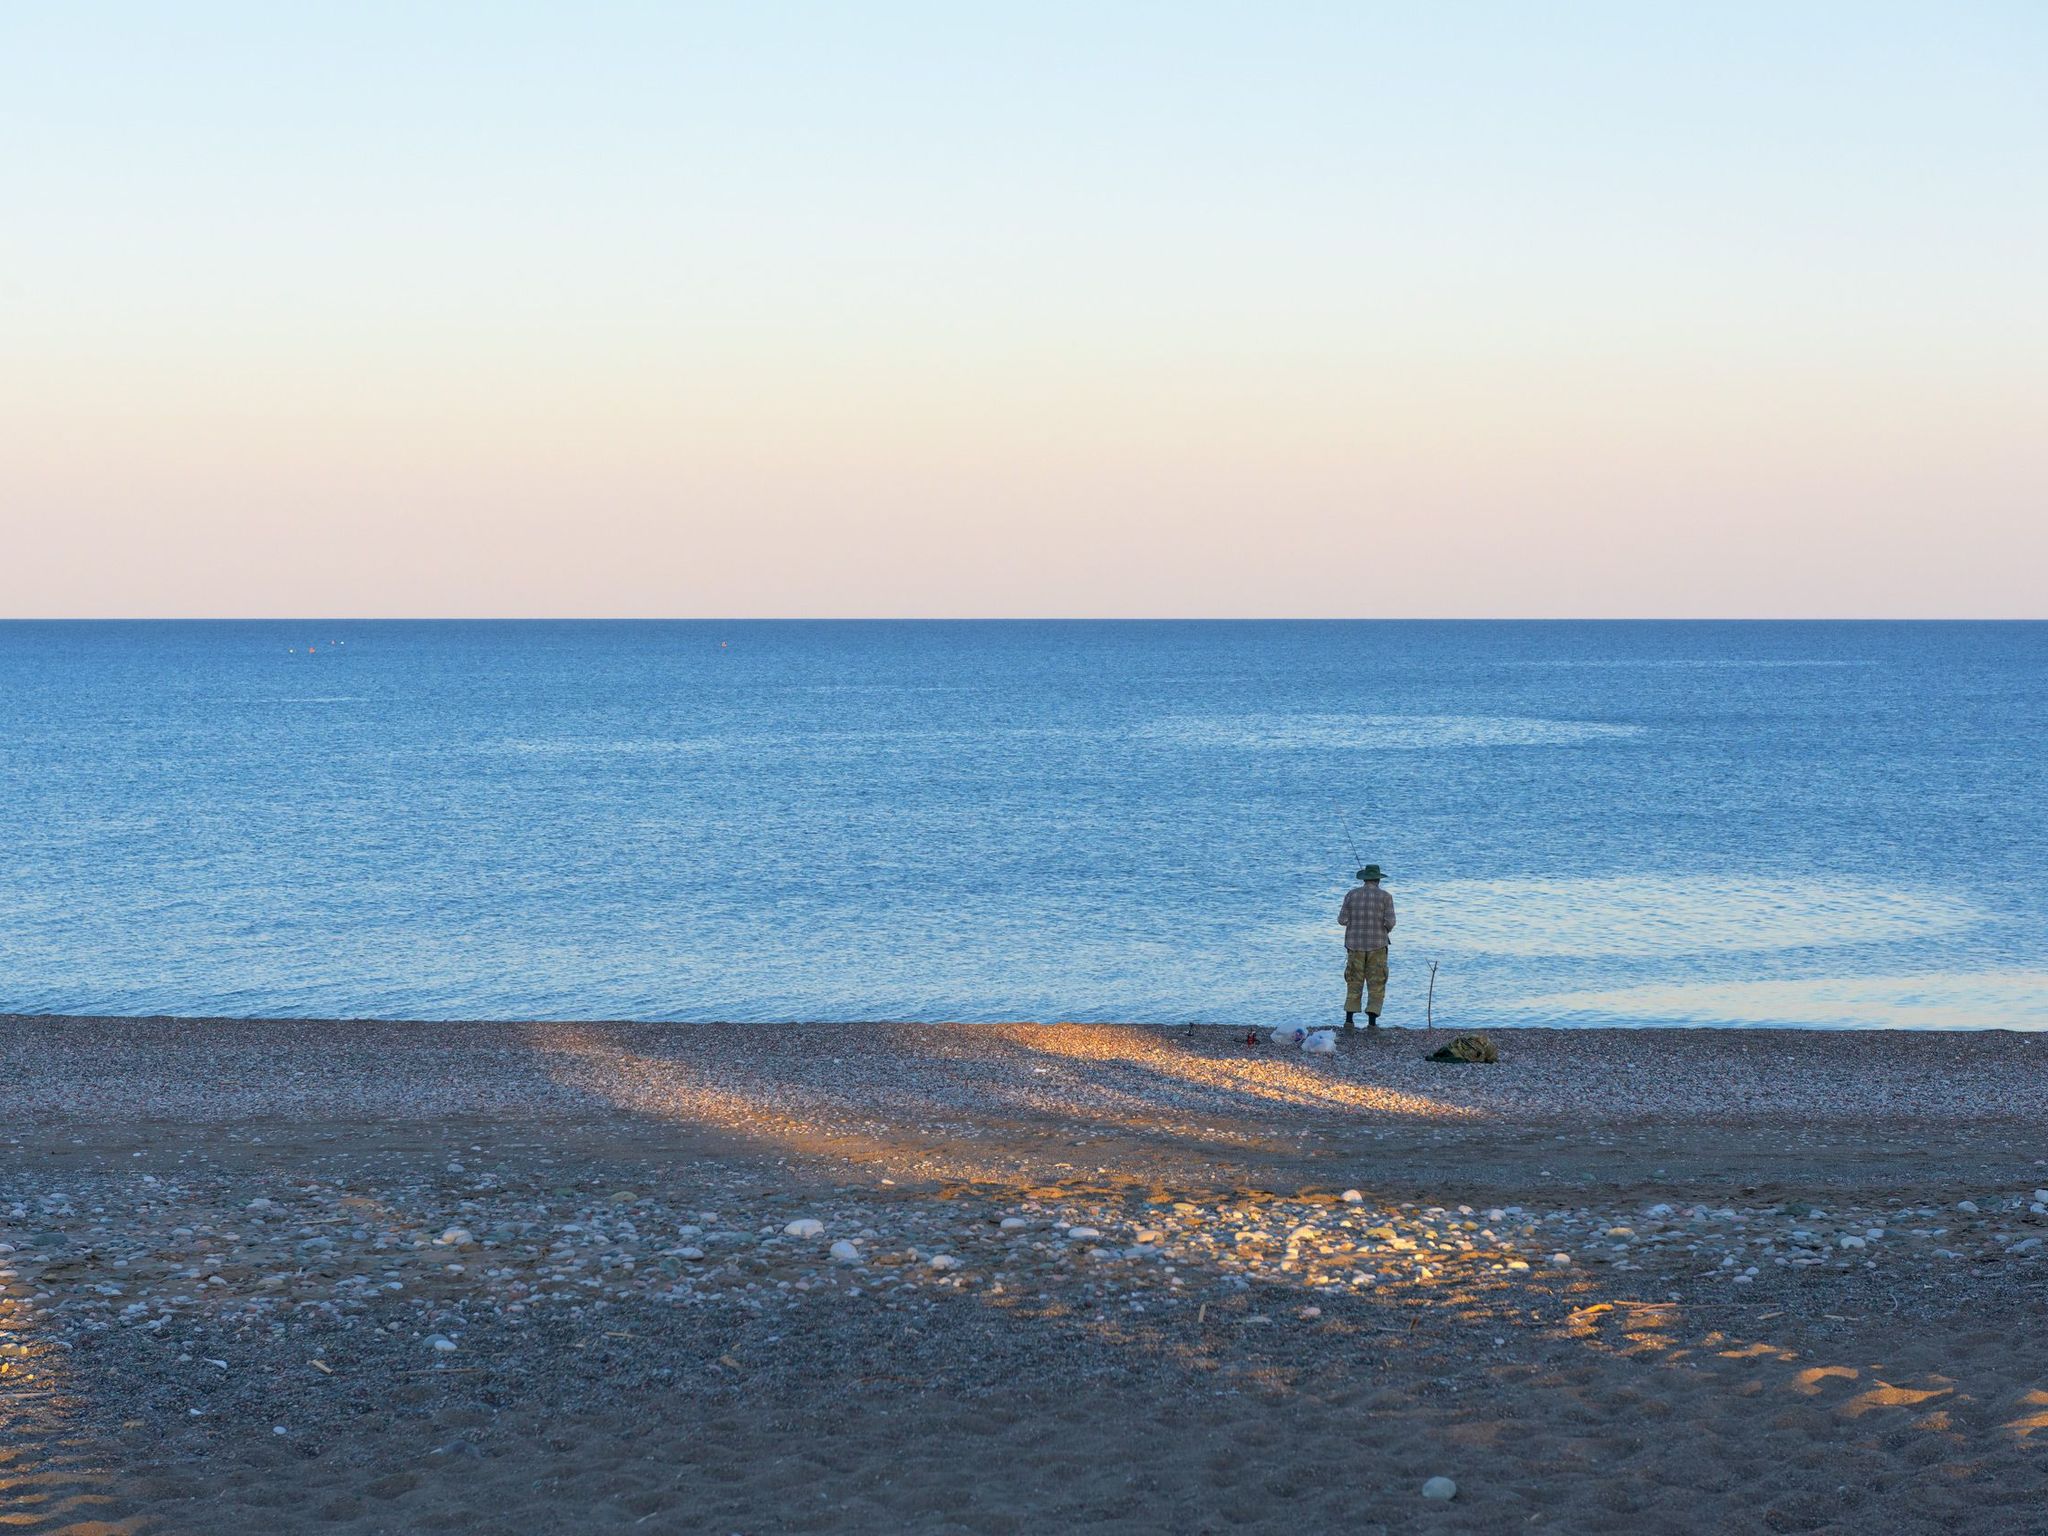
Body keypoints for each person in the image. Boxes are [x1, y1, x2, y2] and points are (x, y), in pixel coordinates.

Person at [1338, 865, 1395, 1028]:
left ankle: (1349, 1021)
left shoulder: (1351, 895)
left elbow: (1341, 920)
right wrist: (1383, 929)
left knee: (1353, 981)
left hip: (1354, 945)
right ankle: (1372, 1023)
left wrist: (1355, 923)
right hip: (1378, 945)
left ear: (1364, 879)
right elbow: (1391, 922)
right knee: (1376, 983)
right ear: (1378, 879)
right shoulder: (1386, 897)